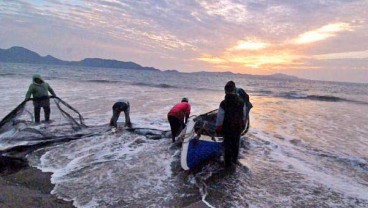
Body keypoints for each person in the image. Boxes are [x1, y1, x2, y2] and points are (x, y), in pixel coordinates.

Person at [215, 81, 247, 170]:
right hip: (238, 127)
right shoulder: (241, 102)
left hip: (227, 127)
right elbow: (244, 115)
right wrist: (243, 124)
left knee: (227, 145)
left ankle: (227, 164)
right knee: (236, 144)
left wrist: (218, 128)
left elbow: (220, 117)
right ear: (234, 90)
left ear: (225, 91)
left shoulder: (224, 103)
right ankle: (234, 161)